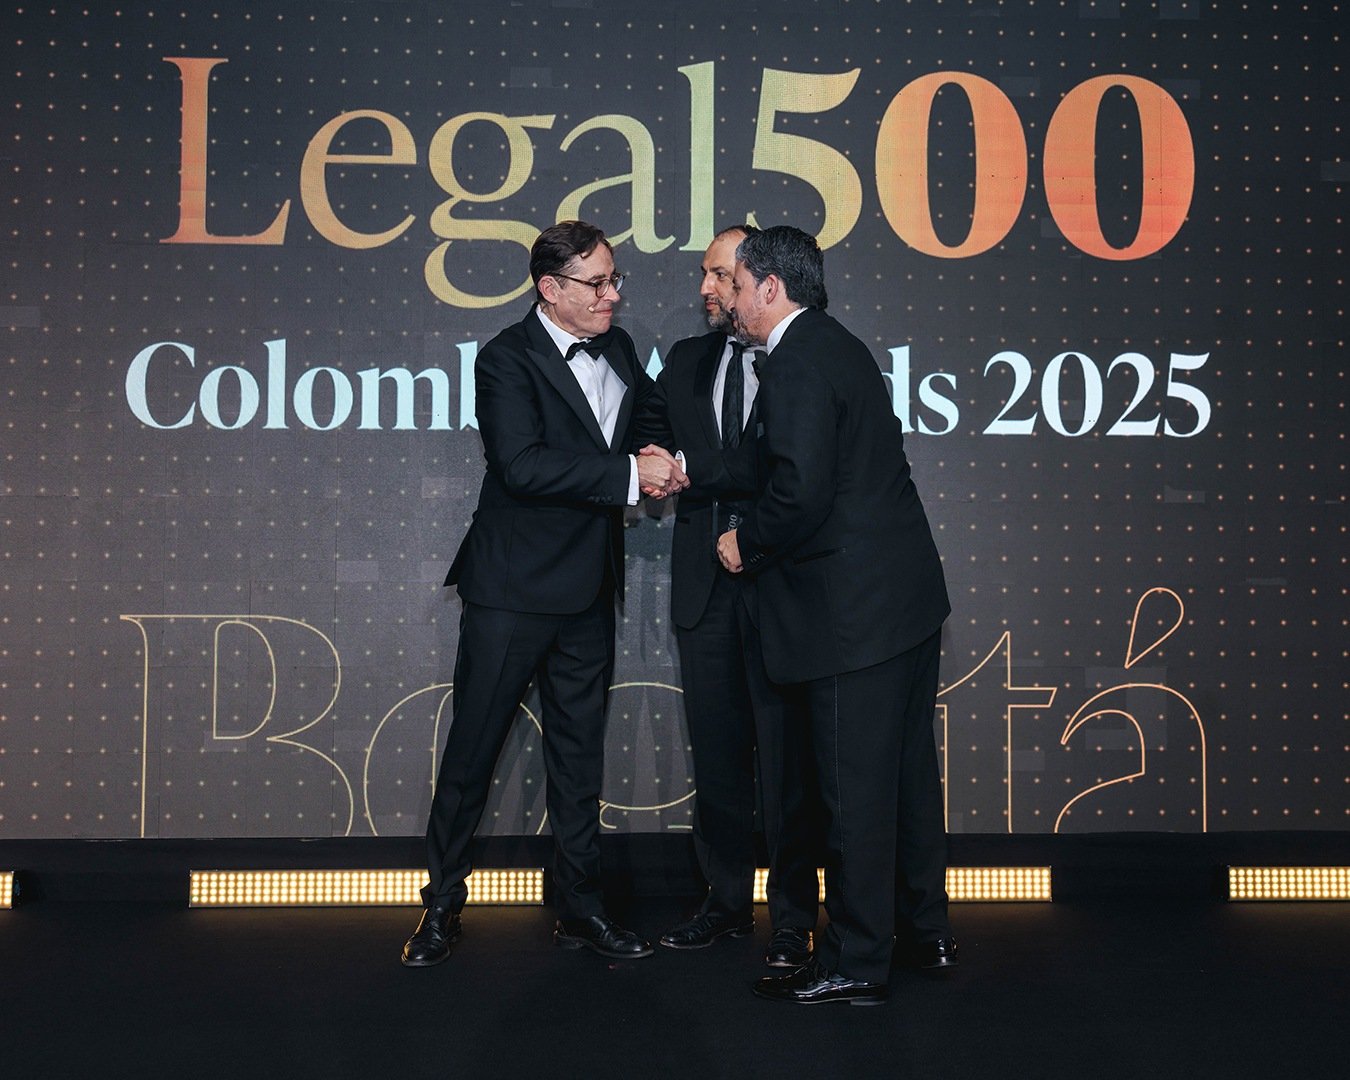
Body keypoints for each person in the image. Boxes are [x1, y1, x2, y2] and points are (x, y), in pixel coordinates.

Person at [402, 220, 688, 967]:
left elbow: (647, 415)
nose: (612, 295)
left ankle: (581, 909)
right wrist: (630, 476)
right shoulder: (506, 358)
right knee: (473, 753)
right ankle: (440, 907)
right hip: (512, 590)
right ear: (550, 289)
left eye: (615, 279)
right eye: (597, 283)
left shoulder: (619, 348)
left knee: (578, 758)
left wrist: (660, 453)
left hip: (589, 588)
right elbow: (522, 465)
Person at [717, 225, 956, 1005]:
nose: (729, 299)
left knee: (853, 793)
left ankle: (855, 959)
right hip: (902, 605)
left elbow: (799, 493)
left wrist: (744, 542)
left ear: (770, 287)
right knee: (905, 781)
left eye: (736, 284)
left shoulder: (796, 360)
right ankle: (923, 932)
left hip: (853, 619)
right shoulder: (837, 345)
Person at [637, 225, 819, 968]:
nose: (708, 289)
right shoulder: (686, 358)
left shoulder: (797, 358)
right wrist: (655, 456)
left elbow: (777, 466)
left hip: (780, 582)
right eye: (706, 275)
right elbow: (650, 430)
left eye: (720, 275)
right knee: (716, 757)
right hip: (704, 589)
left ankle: (795, 917)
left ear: (757, 278)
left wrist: (692, 469)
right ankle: (724, 903)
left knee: (788, 763)